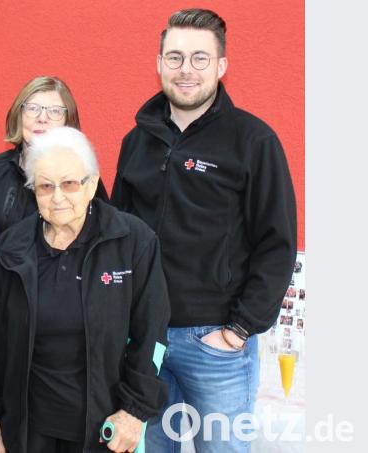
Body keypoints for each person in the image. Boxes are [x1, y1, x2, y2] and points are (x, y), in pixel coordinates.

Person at [110, 8, 297, 452]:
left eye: (199, 58)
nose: (185, 70)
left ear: (221, 66)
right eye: (174, 58)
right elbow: (120, 235)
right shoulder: (137, 141)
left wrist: (238, 329)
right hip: (146, 341)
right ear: (158, 64)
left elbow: (277, 243)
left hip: (216, 345)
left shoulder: (254, 141)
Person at [0, 126, 170, 453]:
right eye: (46, 186)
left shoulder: (133, 241)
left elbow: (151, 336)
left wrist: (134, 412)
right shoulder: (11, 248)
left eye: (70, 183)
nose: (57, 197)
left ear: (91, 184)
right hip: (25, 429)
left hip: (104, 427)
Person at [0, 76, 108, 236]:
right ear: (19, 115)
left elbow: (104, 235)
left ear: (68, 122)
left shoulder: (84, 174)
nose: (42, 118)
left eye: (55, 111)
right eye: (33, 108)